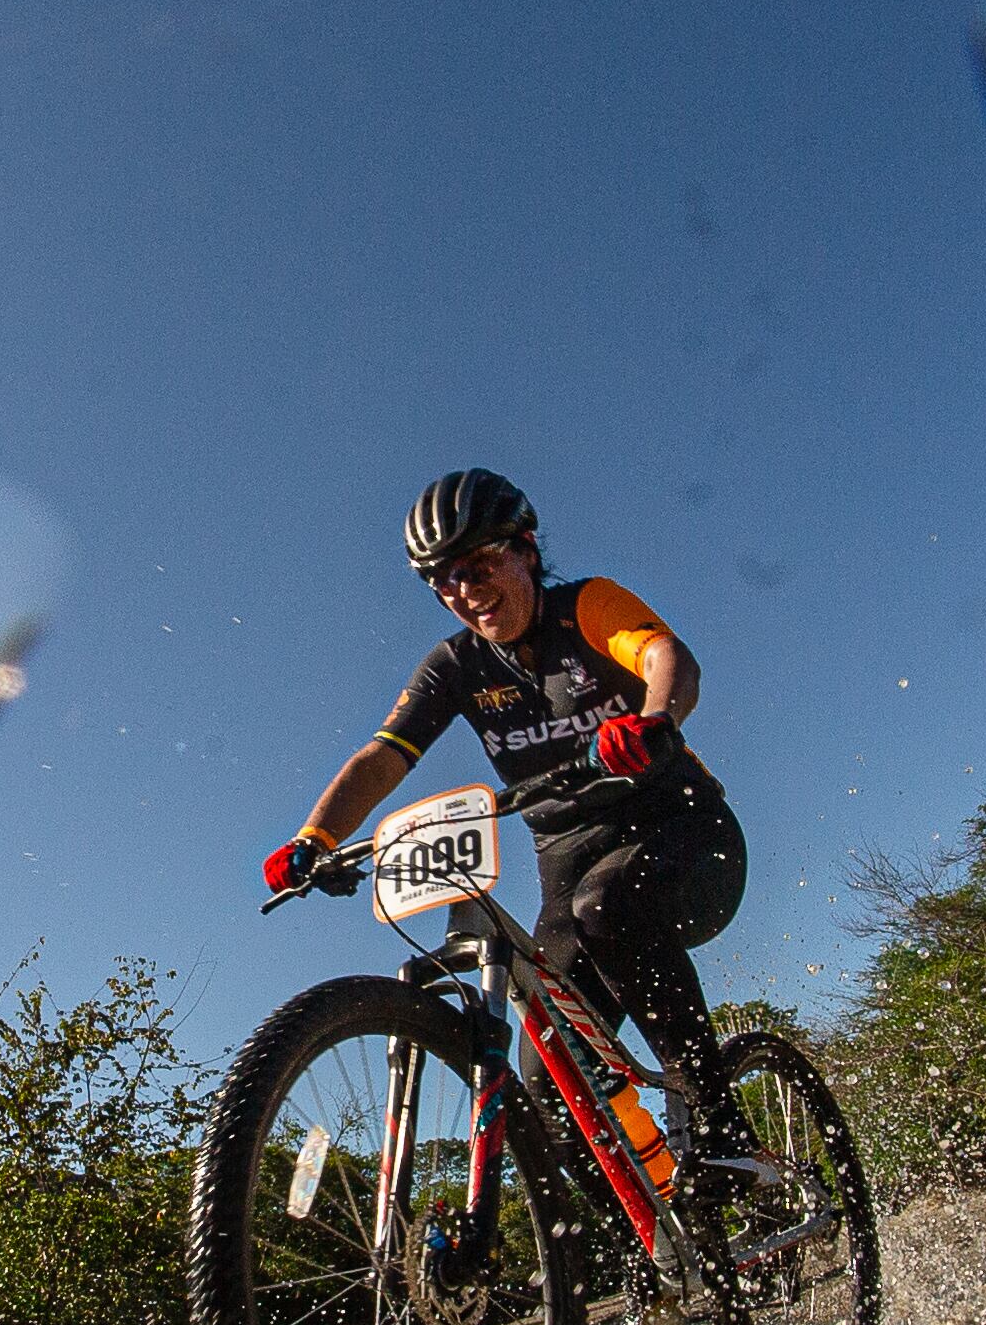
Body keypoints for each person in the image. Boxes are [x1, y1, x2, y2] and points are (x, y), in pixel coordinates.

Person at [265, 465, 749, 1182]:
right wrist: (316, 837)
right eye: (442, 579)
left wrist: (652, 721)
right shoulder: (455, 665)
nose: (463, 589)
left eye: (478, 564)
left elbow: (665, 658)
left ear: (524, 549)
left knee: (609, 905)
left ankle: (719, 1127)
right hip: (569, 861)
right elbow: (382, 756)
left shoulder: (586, 606)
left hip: (678, 833)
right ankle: (661, 1248)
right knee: (549, 1081)